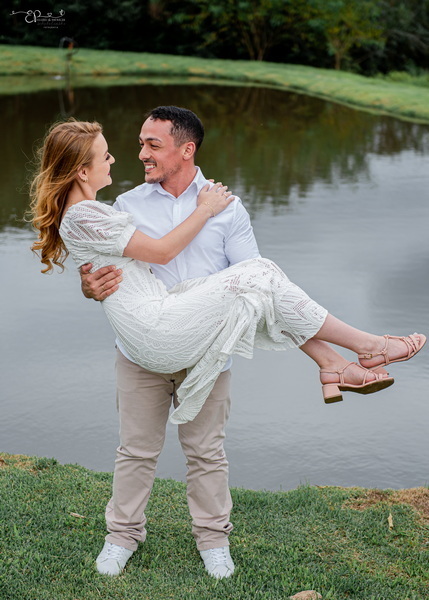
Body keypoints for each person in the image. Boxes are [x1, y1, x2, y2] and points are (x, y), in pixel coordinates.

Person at [30, 116, 426, 580]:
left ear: (186, 149)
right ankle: (121, 537)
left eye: (151, 145)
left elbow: (267, 300)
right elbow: (122, 261)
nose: (136, 155)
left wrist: (209, 211)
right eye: (124, 149)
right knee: (135, 451)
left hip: (204, 343)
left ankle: (214, 540)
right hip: (147, 342)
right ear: (82, 170)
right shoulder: (124, 204)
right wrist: (90, 286)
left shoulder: (229, 208)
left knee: (209, 450)